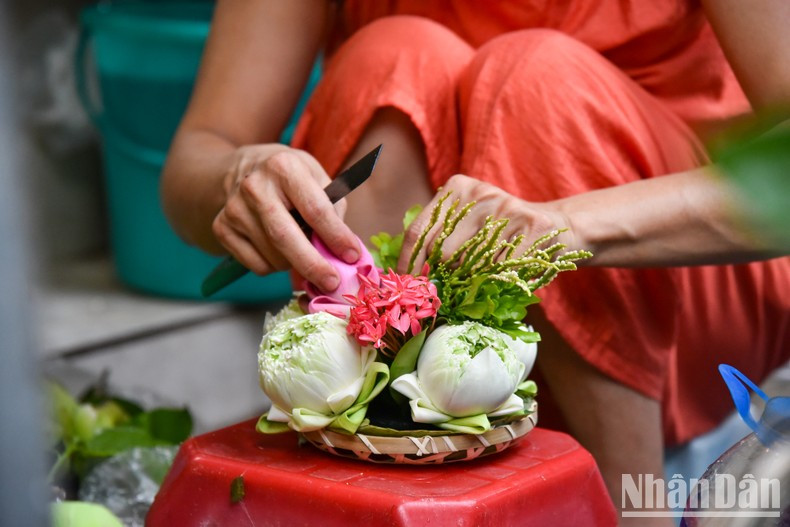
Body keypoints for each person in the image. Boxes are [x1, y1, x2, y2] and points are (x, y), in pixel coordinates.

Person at [161, 1, 790, 523]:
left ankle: (633, 509)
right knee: (394, 56)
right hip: (457, 319)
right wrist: (237, 178)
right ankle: (379, 461)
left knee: (537, 80)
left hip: (684, 283)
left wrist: (568, 223)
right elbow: (194, 162)